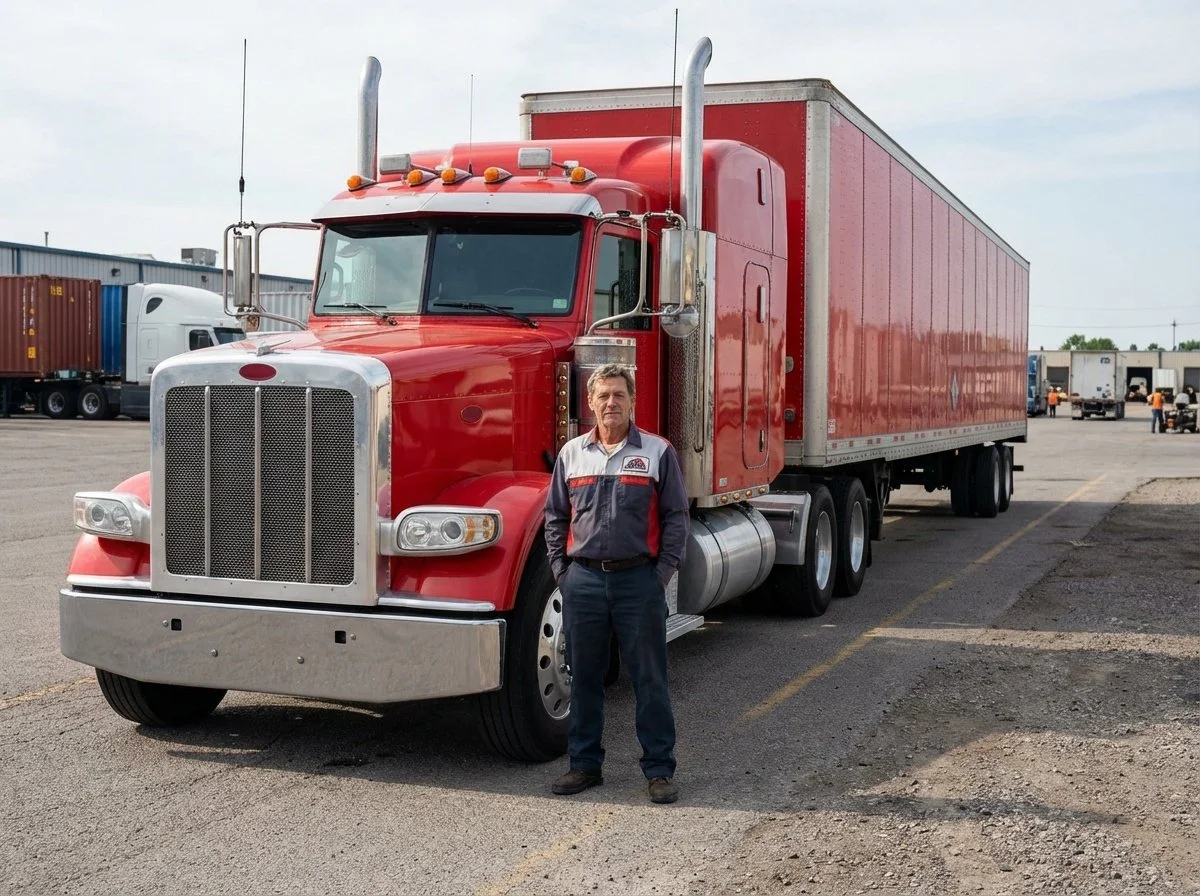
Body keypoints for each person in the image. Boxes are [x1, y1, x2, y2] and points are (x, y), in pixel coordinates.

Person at [544, 362, 690, 805]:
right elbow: (555, 518)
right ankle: (585, 765)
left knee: (650, 679)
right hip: (583, 583)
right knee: (583, 679)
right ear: (589, 402)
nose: (611, 402)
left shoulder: (659, 453)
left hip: (638, 584)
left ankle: (659, 770)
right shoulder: (571, 454)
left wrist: (659, 576)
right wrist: (564, 576)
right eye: (602, 395)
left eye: (619, 395)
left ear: (632, 401)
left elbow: (676, 519)